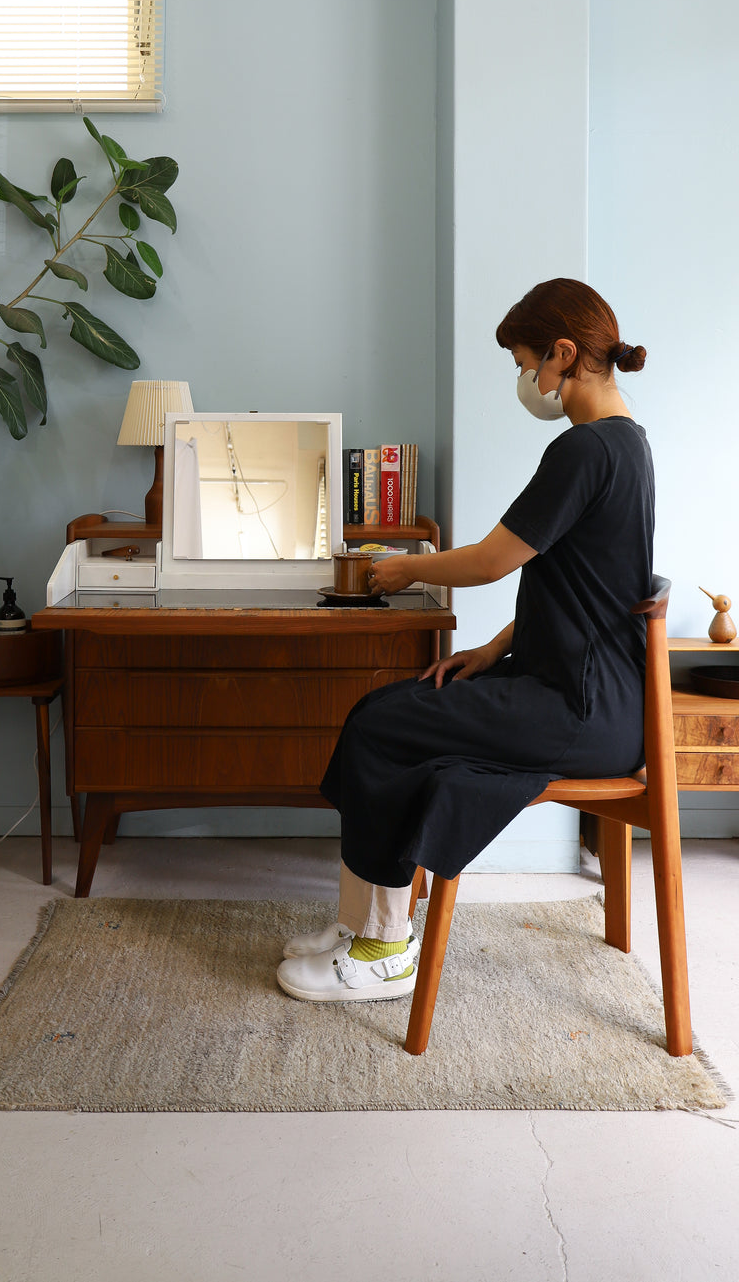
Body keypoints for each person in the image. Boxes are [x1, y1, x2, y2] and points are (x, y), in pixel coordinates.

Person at [277, 278, 654, 1003]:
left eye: (525, 362)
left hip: (576, 710)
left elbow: (491, 559)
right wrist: (492, 651)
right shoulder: (629, 445)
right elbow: (589, 586)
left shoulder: (585, 451)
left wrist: (399, 569)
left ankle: (385, 951)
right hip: (588, 697)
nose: (526, 379)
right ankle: (360, 920)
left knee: (385, 727)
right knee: (384, 712)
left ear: (563, 355)